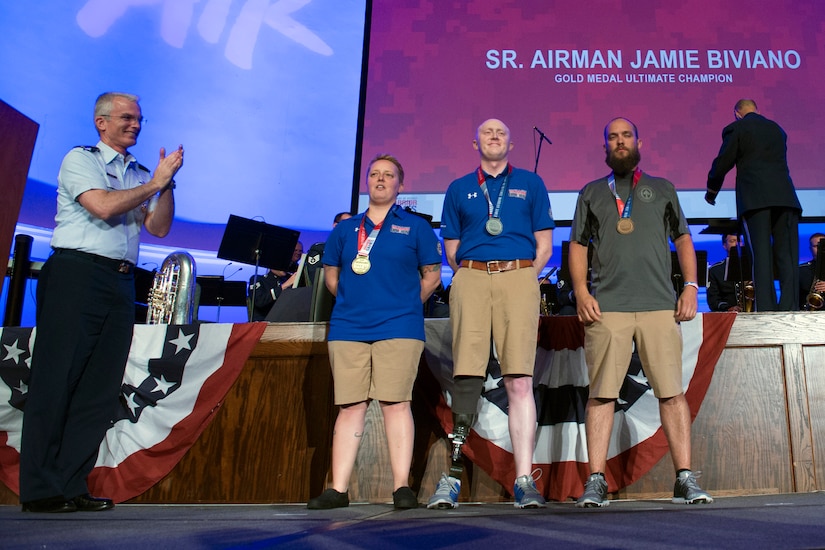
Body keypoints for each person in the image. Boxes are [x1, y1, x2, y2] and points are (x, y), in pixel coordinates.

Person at [19, 92, 183, 513]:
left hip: (119, 283)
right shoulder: (82, 159)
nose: (136, 125)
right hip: (77, 275)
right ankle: (40, 488)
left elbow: (159, 228)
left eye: (140, 119)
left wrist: (165, 186)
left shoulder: (142, 172)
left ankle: (72, 483)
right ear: (101, 122)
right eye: (127, 118)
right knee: (57, 381)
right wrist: (153, 184)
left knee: (98, 388)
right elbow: (103, 206)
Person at [570, 117, 712, 508]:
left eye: (626, 135)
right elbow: (578, 245)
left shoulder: (662, 188)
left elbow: (683, 236)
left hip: (658, 306)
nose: (620, 142)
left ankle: (684, 477)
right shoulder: (591, 192)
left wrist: (689, 286)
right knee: (601, 395)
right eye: (612, 137)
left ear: (639, 142)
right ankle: (596, 480)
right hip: (608, 309)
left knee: (671, 393)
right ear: (605, 148)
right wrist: (581, 291)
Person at [428, 118, 554, 509]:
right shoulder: (459, 188)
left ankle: (523, 479)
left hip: (518, 276)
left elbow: (544, 246)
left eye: (501, 132)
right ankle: (450, 479)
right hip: (472, 278)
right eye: (487, 132)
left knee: (518, 379)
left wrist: (520, 279)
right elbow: (451, 249)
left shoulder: (532, 184)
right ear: (475, 143)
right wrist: (477, 274)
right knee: (467, 375)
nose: (495, 136)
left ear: (511, 144)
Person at [307, 154, 442, 510]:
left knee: (396, 403)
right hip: (349, 325)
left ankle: (401, 488)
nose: (380, 180)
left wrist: (408, 304)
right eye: (374, 174)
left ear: (400, 185)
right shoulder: (344, 230)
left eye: (389, 175)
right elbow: (332, 277)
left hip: (400, 326)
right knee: (350, 406)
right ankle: (338, 489)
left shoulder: (416, 228)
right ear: (367, 182)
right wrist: (355, 301)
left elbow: (432, 275)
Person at [705, 99, 802, 311]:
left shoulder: (737, 127)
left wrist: (712, 190)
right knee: (788, 257)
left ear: (736, 113)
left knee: (760, 256)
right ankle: (790, 308)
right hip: (786, 199)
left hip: (755, 200)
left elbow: (723, 161)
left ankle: (766, 308)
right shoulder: (777, 129)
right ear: (757, 109)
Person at [246, 241, 302, 320]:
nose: (284, 266)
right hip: (264, 324)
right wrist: (284, 286)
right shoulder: (258, 279)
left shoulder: (290, 279)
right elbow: (260, 301)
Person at [706, 233, 743, 312]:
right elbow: (713, 300)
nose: (736, 244)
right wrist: (728, 308)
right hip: (727, 315)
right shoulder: (715, 270)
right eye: (732, 241)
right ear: (724, 245)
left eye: (739, 241)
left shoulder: (753, 267)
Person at [799, 233, 825, 310]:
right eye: (816, 246)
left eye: (823, 246)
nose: (819, 249)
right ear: (810, 249)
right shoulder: (801, 270)